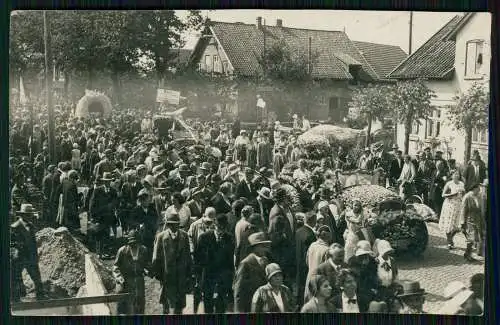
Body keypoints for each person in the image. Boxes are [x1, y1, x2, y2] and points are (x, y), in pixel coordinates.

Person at [152, 213, 192, 314]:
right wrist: (160, 276)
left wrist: (188, 273)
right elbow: (156, 258)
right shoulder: (161, 237)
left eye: (175, 224)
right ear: (167, 224)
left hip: (180, 277)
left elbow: (188, 256)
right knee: (166, 304)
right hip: (167, 277)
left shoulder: (184, 236)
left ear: (179, 224)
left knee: (179, 305)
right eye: (170, 224)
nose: (173, 226)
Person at [194, 214, 234, 314]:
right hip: (208, 276)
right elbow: (197, 259)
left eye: (224, 228)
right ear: (214, 225)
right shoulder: (204, 238)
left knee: (221, 305)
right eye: (220, 227)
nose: (222, 230)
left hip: (222, 277)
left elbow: (230, 261)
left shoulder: (229, 238)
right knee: (208, 303)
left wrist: (230, 277)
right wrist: (198, 278)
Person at [11, 204, 44, 302]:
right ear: (23, 215)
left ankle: (41, 297)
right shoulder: (15, 227)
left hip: (31, 257)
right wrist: (16, 252)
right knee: (16, 279)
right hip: (19, 257)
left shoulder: (31, 226)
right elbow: (12, 243)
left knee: (37, 278)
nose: (31, 216)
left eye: (31, 214)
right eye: (28, 215)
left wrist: (35, 255)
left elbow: (33, 243)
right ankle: (15, 299)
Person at [233, 232, 272, 313]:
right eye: (262, 246)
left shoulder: (266, 261)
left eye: (266, 246)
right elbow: (238, 290)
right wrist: (239, 312)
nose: (265, 249)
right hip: (249, 306)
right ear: (254, 248)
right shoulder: (245, 264)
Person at [113, 230, 149, 315]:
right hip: (126, 281)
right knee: (124, 307)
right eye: (131, 243)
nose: (134, 245)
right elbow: (116, 267)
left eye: (136, 242)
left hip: (139, 282)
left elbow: (146, 264)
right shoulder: (122, 251)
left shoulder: (143, 250)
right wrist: (119, 278)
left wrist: (147, 269)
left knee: (139, 305)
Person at [89, 172, 118, 258]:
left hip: (110, 217)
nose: (107, 183)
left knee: (108, 234)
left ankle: (107, 252)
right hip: (100, 216)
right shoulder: (97, 190)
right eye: (105, 181)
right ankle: (99, 252)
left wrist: (113, 207)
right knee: (99, 234)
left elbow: (116, 203)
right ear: (103, 182)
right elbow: (92, 204)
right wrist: (93, 217)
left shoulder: (113, 191)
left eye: (109, 181)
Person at [304, 225, 332, 302]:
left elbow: (307, 262)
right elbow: (327, 269)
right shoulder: (327, 250)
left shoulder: (312, 245)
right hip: (320, 281)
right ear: (328, 236)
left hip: (309, 277)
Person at [439, 170, 466, 250]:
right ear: (451, 175)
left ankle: (450, 239)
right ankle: (449, 242)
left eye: (458, 174)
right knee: (449, 224)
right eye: (455, 174)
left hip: (458, 205)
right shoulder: (449, 184)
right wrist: (451, 195)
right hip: (449, 205)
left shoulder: (462, 184)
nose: (457, 175)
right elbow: (443, 195)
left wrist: (463, 195)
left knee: (457, 225)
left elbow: (464, 194)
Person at [295, 212, 317, 307]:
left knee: (300, 283)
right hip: (306, 263)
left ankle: (299, 303)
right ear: (313, 221)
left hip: (298, 260)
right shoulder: (310, 234)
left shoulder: (298, 231)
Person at [460, 183, 483, 262]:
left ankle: (468, 254)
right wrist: (462, 222)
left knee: (474, 238)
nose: (479, 190)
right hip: (469, 220)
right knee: (471, 238)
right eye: (478, 189)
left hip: (477, 220)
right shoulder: (467, 197)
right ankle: (467, 254)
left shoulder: (478, 196)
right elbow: (463, 210)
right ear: (474, 189)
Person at [373, 239, 399, 310]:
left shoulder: (392, 261)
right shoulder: (376, 262)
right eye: (385, 252)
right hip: (379, 291)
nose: (387, 253)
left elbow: (396, 275)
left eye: (388, 251)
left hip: (391, 289)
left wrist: (395, 285)